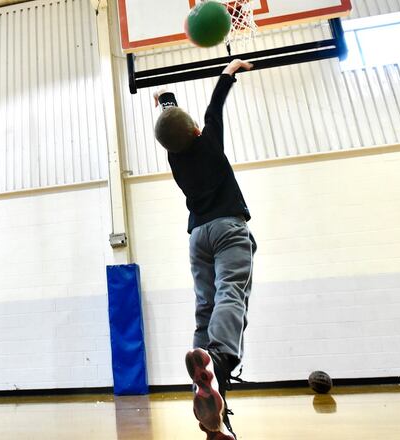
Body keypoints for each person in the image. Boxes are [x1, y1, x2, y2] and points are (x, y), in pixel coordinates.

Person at [153, 59, 257, 440]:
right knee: (232, 292)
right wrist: (229, 71)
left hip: (197, 236)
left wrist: (166, 100)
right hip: (228, 227)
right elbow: (215, 105)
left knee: (205, 310)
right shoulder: (208, 140)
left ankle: (214, 414)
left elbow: (173, 125)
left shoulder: (175, 156)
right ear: (197, 129)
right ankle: (220, 359)